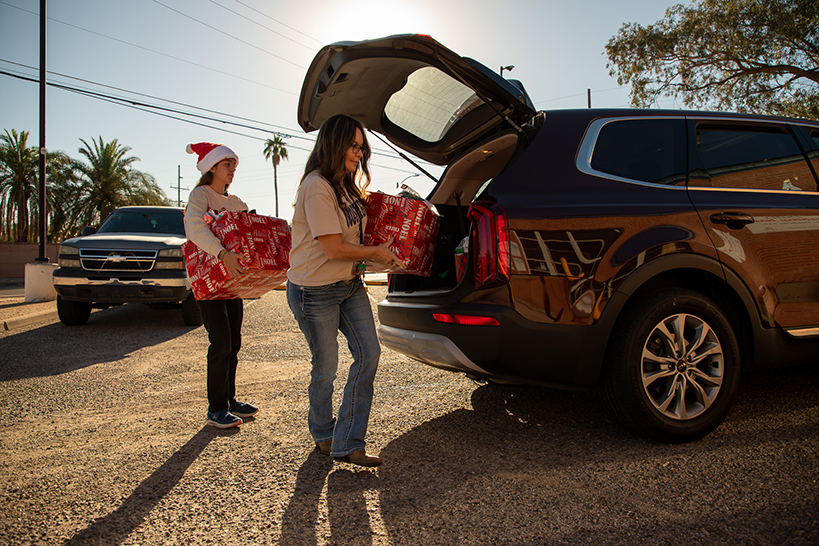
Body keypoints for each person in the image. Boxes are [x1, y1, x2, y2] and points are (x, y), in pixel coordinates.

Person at [287, 115, 403, 467]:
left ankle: (348, 442)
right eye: (353, 146)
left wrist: (385, 247)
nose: (359, 152)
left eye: (361, 146)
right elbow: (333, 248)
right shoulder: (317, 186)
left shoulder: (346, 186)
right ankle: (324, 433)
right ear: (334, 144)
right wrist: (376, 253)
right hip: (314, 290)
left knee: (369, 353)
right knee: (326, 367)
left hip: (349, 284)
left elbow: (354, 240)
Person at [184, 141, 258, 429]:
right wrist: (223, 253)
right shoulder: (200, 195)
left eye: (234, 166)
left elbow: (249, 226)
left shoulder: (236, 202)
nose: (232, 170)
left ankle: (229, 400)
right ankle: (215, 409)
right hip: (208, 280)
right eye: (228, 165)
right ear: (211, 167)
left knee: (234, 341)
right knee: (221, 342)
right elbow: (195, 228)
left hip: (232, 281)